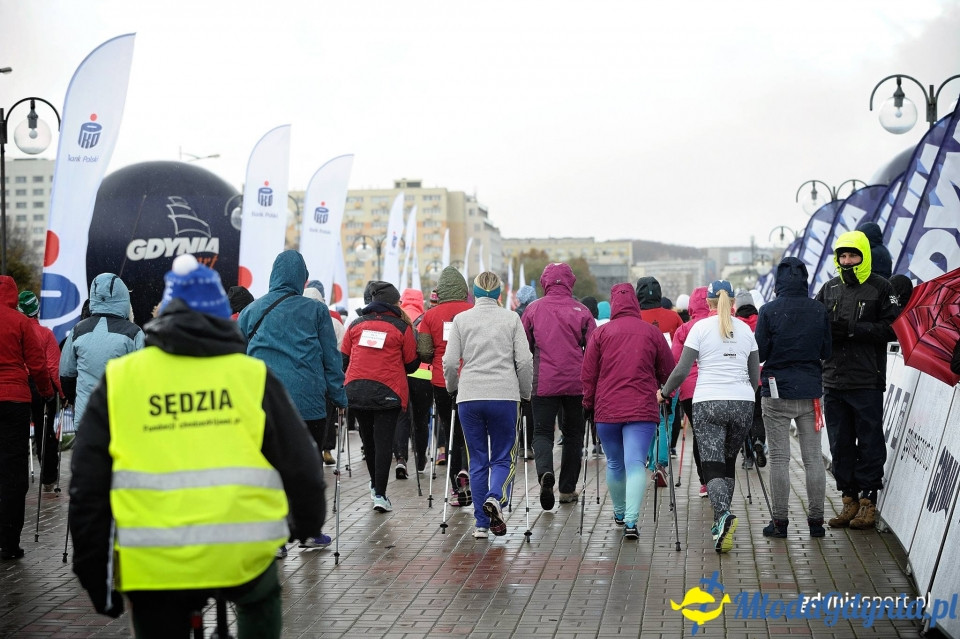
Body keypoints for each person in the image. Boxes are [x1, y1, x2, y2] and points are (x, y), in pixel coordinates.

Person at [69, 255, 325, 637]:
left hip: (154, 560)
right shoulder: (251, 376)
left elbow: (87, 483)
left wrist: (94, 571)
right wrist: (304, 524)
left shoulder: (122, 380)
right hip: (243, 552)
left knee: (155, 618)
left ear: (164, 312)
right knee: (261, 599)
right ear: (222, 315)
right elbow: (300, 463)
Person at [238, 250, 346, 551]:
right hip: (308, 403)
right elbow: (330, 359)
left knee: (269, 466)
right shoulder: (316, 311)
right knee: (308, 467)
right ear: (302, 278)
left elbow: (236, 356)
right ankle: (309, 530)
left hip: (264, 402)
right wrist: (338, 396)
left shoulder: (252, 310)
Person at [658, 280, 759, 554]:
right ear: (733, 299)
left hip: (708, 402)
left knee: (712, 465)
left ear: (709, 302)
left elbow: (681, 370)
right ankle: (720, 523)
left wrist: (665, 392)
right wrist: (746, 396)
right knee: (728, 464)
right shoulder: (746, 331)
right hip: (742, 402)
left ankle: (723, 516)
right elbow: (754, 374)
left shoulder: (699, 328)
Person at [815, 230, 899, 530]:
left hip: (866, 380)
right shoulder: (828, 288)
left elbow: (893, 328)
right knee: (840, 445)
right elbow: (815, 329)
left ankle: (868, 502)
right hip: (833, 380)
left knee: (870, 443)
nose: (847, 261)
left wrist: (853, 330)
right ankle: (848, 500)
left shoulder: (881, 287)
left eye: (853, 255)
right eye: (843, 255)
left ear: (863, 256)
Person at [443, 272, 533, 539]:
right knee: (504, 456)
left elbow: (449, 362)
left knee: (478, 459)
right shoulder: (511, 319)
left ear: (475, 292)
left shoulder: (461, 320)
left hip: (470, 395)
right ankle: (496, 497)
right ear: (499, 295)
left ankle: (481, 524)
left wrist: (452, 388)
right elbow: (525, 362)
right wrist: (525, 392)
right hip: (504, 395)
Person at [582, 283, 673, 540]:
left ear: (613, 303)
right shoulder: (651, 333)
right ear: (634, 302)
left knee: (614, 462)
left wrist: (588, 403)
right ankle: (632, 521)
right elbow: (668, 368)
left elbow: (588, 374)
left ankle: (620, 513)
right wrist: (666, 393)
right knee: (635, 463)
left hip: (607, 409)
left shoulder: (600, 334)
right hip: (642, 408)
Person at [755, 257, 832, 538]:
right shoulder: (818, 310)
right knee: (813, 459)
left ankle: (780, 522)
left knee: (778, 459)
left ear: (778, 281)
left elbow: (760, 353)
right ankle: (816, 522)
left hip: (777, 393)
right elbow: (827, 350)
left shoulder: (768, 311)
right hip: (811, 392)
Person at [522, 262, 596, 509]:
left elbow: (524, 347)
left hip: (543, 382)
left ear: (544, 282)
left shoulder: (533, 310)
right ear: (570, 281)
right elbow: (593, 349)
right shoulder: (582, 311)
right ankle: (566, 489)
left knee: (542, 433)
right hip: (576, 383)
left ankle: (545, 472)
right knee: (573, 435)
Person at [342, 281, 419, 512]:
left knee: (369, 442)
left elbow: (343, 358)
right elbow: (412, 363)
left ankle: (376, 486)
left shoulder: (356, 324)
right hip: (388, 392)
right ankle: (380, 494)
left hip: (357, 390)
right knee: (384, 443)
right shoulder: (402, 327)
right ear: (394, 303)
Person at [0, 276, 54, 560]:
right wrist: (46, 391)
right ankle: (9, 542)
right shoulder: (19, 322)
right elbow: (37, 363)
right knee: (12, 471)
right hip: (14, 400)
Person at [417, 267, 474, 506]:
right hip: (472, 380)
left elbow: (425, 352)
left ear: (440, 290)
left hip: (442, 382)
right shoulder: (473, 311)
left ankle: (456, 487)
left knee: (450, 433)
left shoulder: (429, 316)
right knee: (471, 432)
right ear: (463, 289)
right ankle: (470, 473)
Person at [60, 273, 144, 426]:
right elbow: (143, 376)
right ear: (124, 297)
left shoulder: (78, 330)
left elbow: (66, 375)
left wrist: (75, 400)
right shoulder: (134, 333)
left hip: (87, 418)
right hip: (122, 419)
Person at [636, 276, 684, 465]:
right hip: (669, 376)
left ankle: (648, 457)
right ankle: (661, 461)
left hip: (642, 377)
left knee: (644, 419)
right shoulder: (673, 317)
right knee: (666, 419)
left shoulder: (635, 317)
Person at [18, 291, 63, 491]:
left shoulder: (14, 330)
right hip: (41, 386)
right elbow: (54, 368)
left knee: (15, 433)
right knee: (45, 433)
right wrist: (62, 393)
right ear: (37, 311)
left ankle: (16, 478)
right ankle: (48, 478)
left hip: (18, 385)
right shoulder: (45, 334)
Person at [670, 286, 709, 497]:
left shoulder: (684, 329)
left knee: (699, 433)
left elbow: (675, 360)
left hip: (689, 390)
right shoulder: (720, 324)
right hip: (715, 387)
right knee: (715, 433)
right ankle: (718, 478)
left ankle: (704, 481)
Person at [303, 279, 345, 466]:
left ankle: (309, 450)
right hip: (324, 377)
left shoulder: (297, 317)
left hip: (303, 377)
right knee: (326, 416)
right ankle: (325, 449)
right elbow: (339, 352)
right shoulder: (333, 320)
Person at [395, 287, 432, 478]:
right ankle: (420, 459)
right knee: (421, 419)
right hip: (424, 376)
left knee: (401, 417)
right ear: (420, 301)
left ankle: (401, 458)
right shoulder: (425, 318)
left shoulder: (398, 318)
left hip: (401, 375)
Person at [734, 289, 766, 469]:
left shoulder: (734, 324)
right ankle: (759, 441)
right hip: (761, 376)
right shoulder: (762, 321)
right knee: (758, 416)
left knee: (743, 419)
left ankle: (747, 457)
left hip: (741, 377)